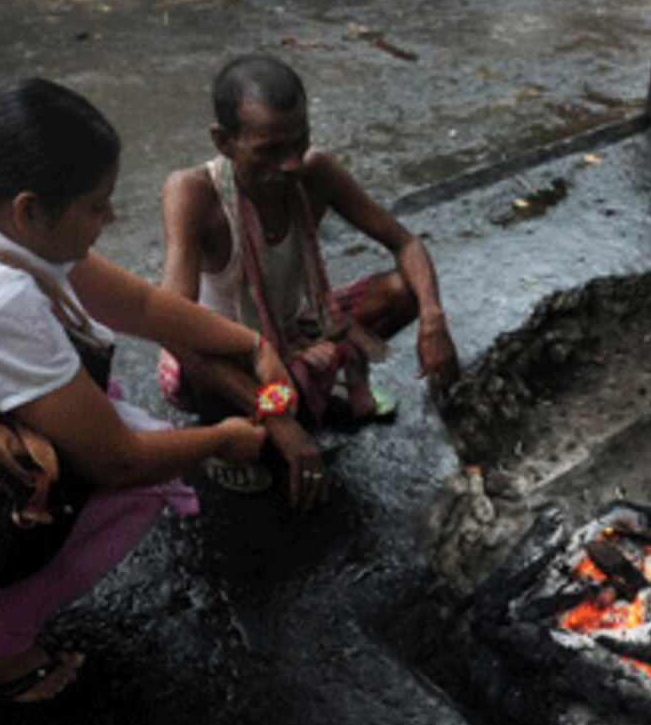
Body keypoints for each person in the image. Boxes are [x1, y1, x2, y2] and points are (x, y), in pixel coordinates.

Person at [0, 79, 286, 725]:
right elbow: (117, 459)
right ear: (29, 210)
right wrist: (221, 439)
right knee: (143, 471)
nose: (108, 219)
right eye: (96, 206)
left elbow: (132, 304)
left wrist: (252, 345)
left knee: (97, 414)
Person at [159, 55, 461, 509]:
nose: (290, 165)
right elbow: (173, 327)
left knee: (403, 291)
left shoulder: (314, 171)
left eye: (299, 144)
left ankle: (304, 394)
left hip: (286, 332)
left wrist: (433, 321)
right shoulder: (193, 192)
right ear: (224, 141)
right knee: (213, 361)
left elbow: (406, 243)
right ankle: (237, 437)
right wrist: (280, 420)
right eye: (269, 150)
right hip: (225, 357)